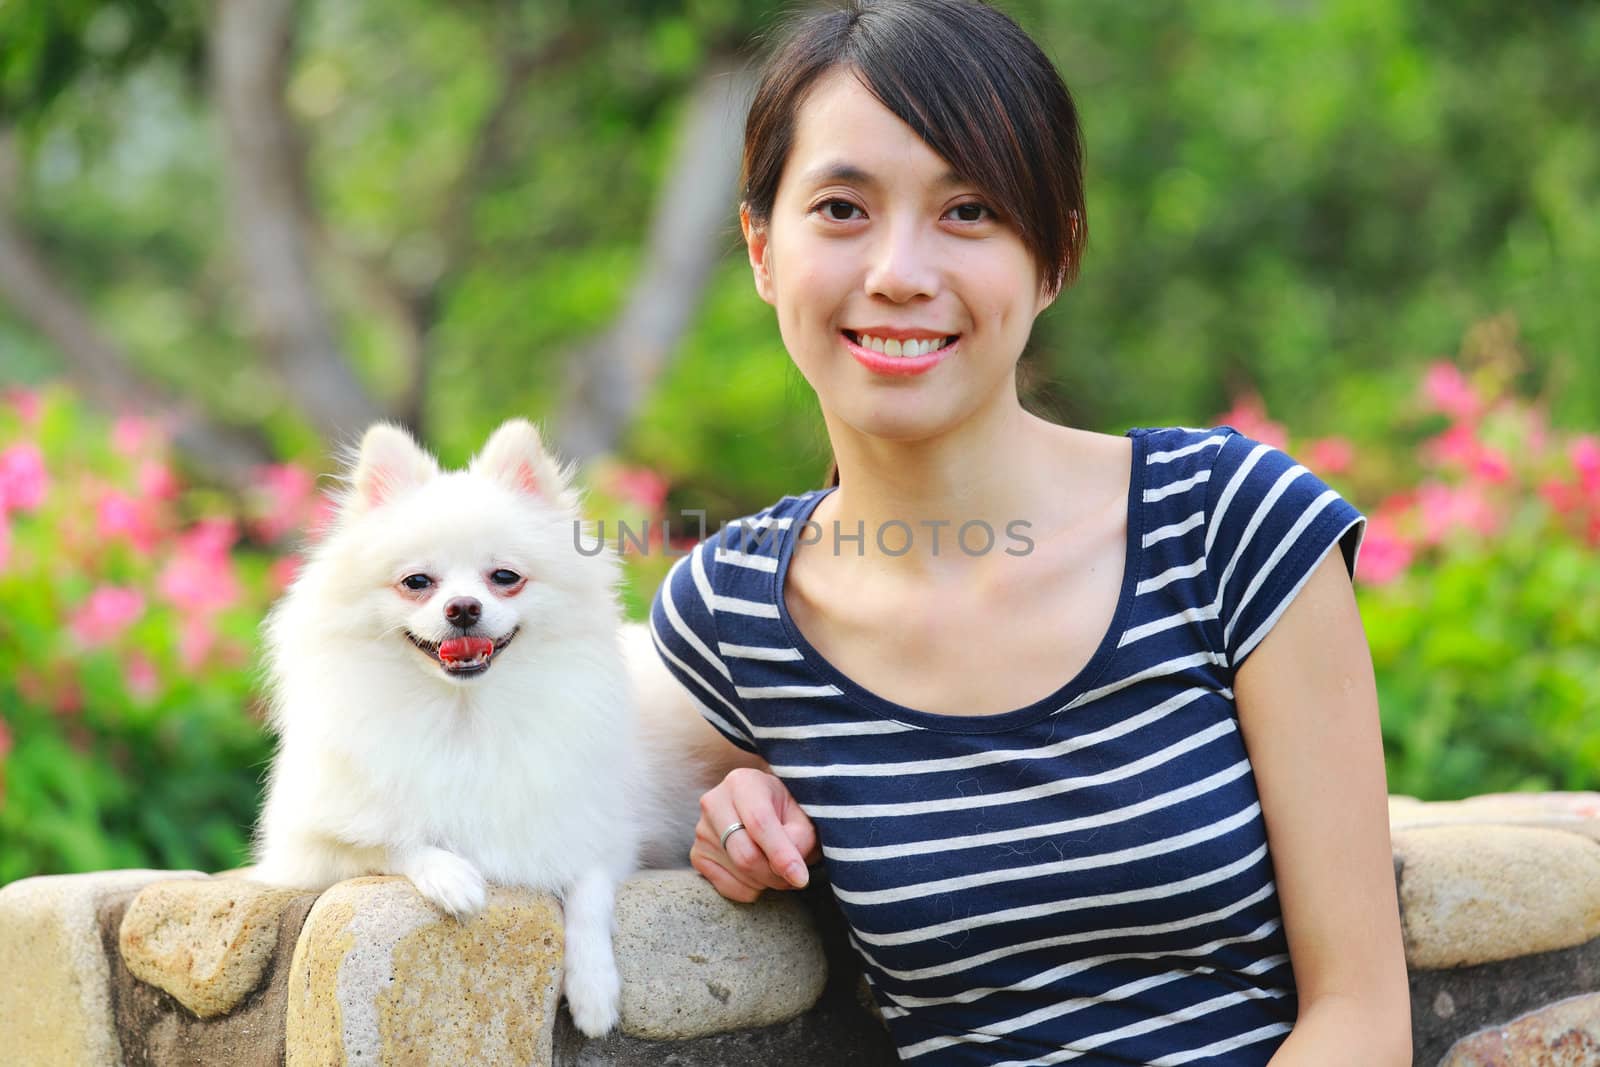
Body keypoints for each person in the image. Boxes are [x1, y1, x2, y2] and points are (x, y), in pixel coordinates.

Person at [646, 1, 1412, 1062]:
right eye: (840, 208)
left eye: (968, 211)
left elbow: (1361, 1010)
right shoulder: (732, 616)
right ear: (761, 248)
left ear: (1054, 256)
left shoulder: (1228, 524)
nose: (900, 271)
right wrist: (726, 814)